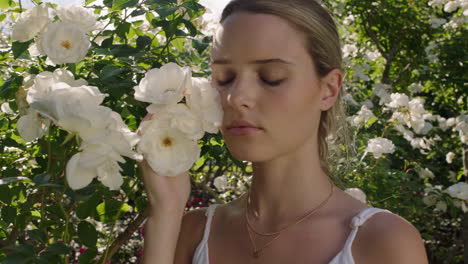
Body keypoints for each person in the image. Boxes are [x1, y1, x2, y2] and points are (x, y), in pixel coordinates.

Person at [139, 0, 429, 263]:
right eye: (224, 78)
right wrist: (166, 211)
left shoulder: (383, 243)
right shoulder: (191, 233)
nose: (236, 97)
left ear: (328, 90)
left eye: (271, 78)